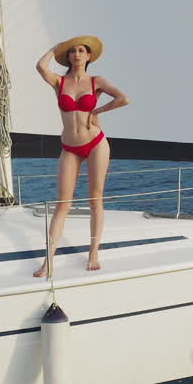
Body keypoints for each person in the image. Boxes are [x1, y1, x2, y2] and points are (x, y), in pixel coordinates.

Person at [33, 35, 129, 274]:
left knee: (95, 199)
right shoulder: (59, 82)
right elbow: (40, 66)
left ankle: (93, 252)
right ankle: (49, 260)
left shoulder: (97, 81)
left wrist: (98, 109)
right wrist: (55, 48)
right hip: (69, 147)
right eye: (72, 51)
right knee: (62, 204)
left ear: (88, 56)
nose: (76, 54)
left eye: (81, 51)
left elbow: (123, 98)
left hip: (95, 142)